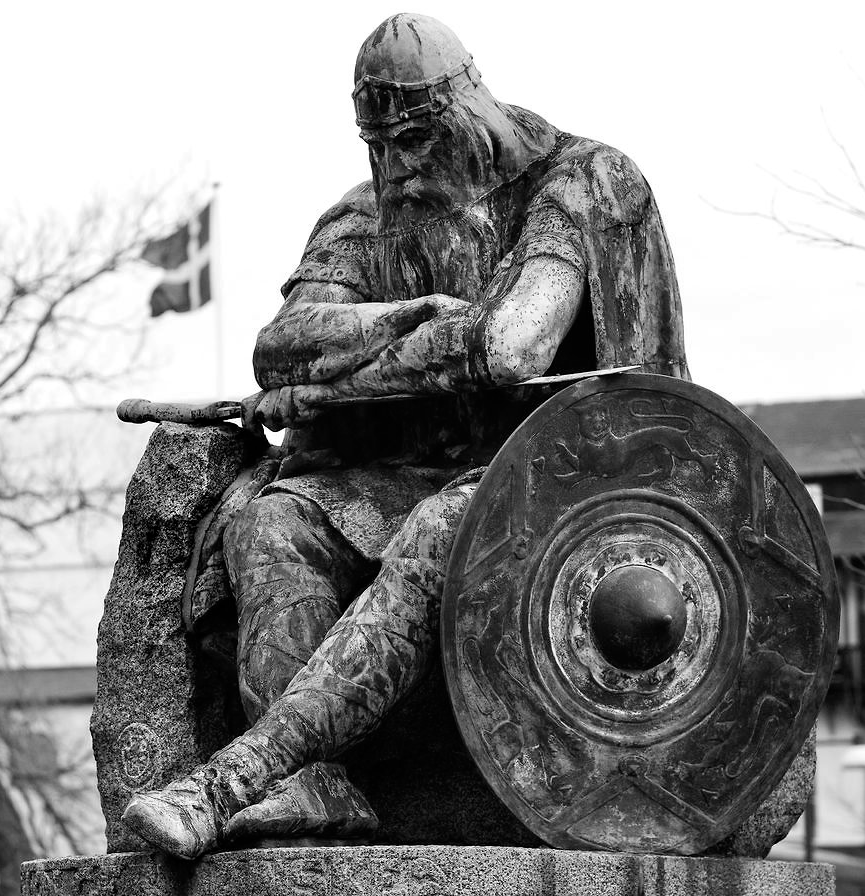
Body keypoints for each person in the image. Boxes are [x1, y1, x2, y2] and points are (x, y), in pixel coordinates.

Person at [123, 12, 689, 860]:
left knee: (446, 529)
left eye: (417, 138)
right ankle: (310, 786)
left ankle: (236, 777)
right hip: (398, 477)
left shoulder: (584, 182)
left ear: (470, 105)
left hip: (573, 484)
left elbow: (515, 342)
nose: (398, 166)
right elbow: (281, 345)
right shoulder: (362, 216)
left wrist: (367, 356)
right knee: (271, 520)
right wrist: (428, 321)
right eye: (379, 145)